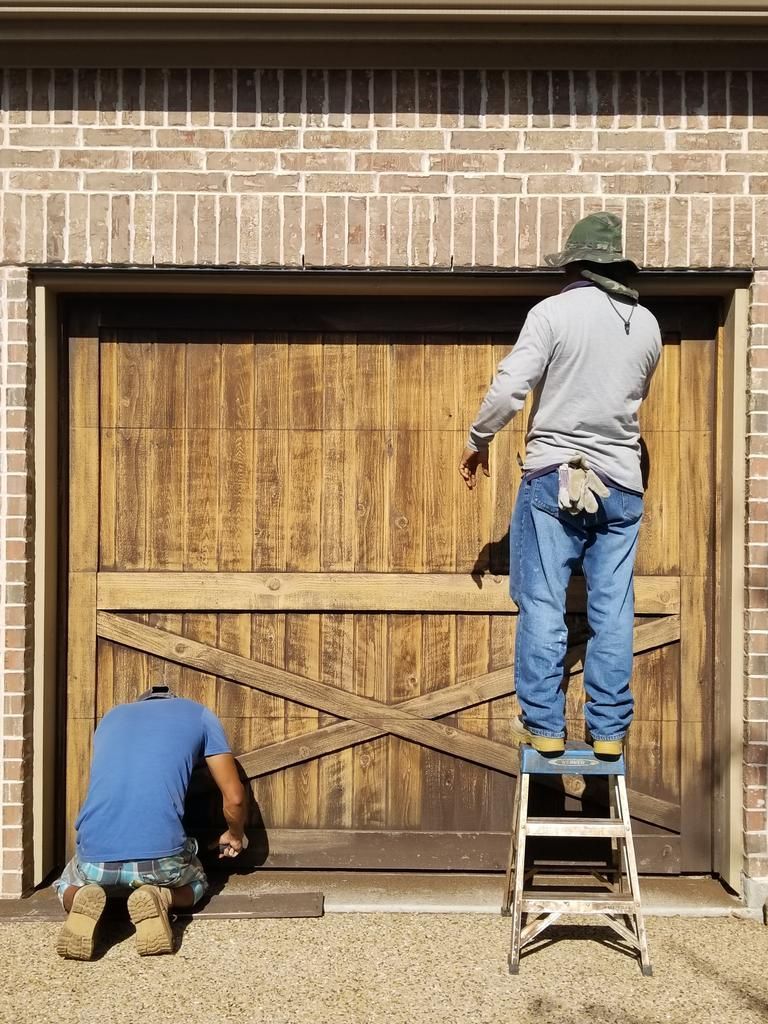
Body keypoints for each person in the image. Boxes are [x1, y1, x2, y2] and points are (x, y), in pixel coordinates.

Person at [459, 212, 661, 761]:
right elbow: (630, 395)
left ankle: (545, 726)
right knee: (613, 609)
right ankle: (610, 731)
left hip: (556, 475)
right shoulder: (647, 324)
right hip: (621, 482)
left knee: (545, 602)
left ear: (574, 264)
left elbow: (510, 387)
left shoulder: (552, 312)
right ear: (616, 263)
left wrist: (479, 439)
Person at [54, 685, 247, 960]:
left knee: (65, 883)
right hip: (161, 864)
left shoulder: (110, 718)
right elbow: (235, 798)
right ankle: (162, 897)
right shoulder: (200, 714)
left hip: (95, 862)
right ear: (174, 700)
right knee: (198, 882)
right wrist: (235, 834)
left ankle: (80, 897)